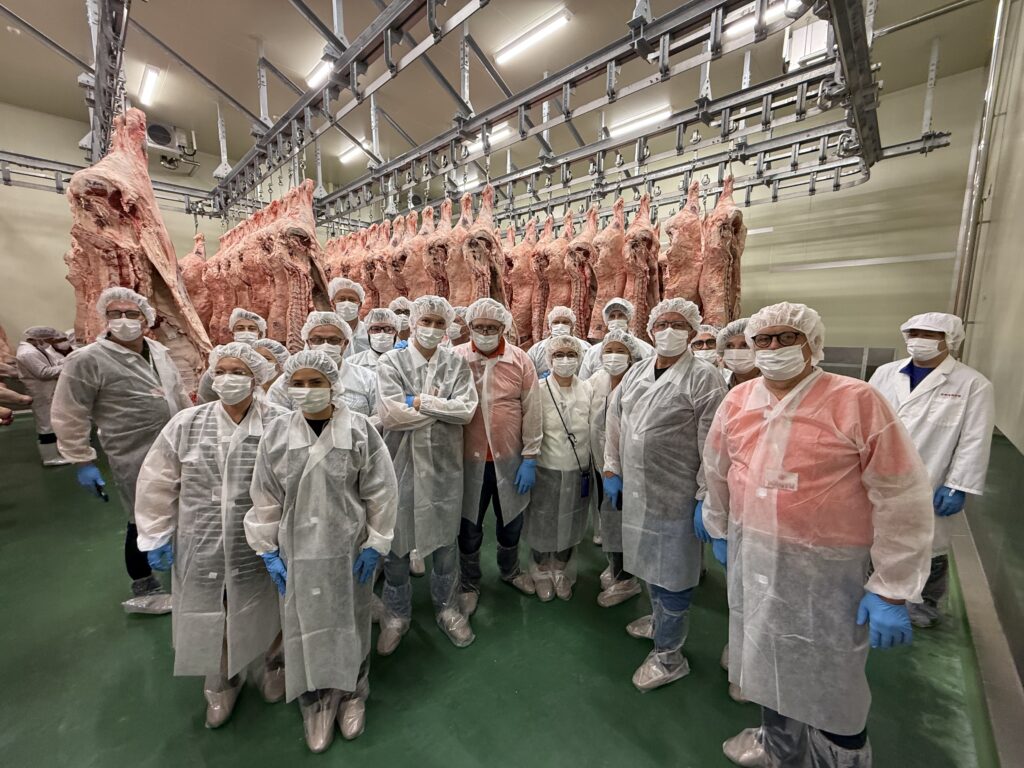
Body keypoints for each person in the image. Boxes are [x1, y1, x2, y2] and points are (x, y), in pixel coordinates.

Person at [701, 302, 934, 768]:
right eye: (762, 340)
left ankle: (838, 758)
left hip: (827, 566)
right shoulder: (738, 400)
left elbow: (900, 494)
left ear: (812, 345)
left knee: (831, 674)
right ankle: (779, 747)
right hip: (755, 550)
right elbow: (718, 468)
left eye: (786, 339)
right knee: (764, 652)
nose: (771, 349)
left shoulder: (855, 400)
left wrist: (890, 587)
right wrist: (718, 524)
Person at [244, 350, 398, 753]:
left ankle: (353, 691)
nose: (308, 390)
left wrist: (376, 542)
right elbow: (264, 494)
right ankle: (314, 700)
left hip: (349, 547)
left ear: (333, 384)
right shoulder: (276, 434)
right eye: (300, 383)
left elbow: (382, 491)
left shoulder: (361, 430)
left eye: (316, 382)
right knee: (302, 621)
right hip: (295, 549)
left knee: (351, 618)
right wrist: (266, 549)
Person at [134, 343, 288, 728]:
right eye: (221, 370)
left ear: (256, 378)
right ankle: (223, 679)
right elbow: (158, 480)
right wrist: (154, 535)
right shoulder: (187, 423)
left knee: (272, 604)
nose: (228, 379)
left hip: (264, 539)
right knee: (211, 608)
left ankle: (275, 663)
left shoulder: (281, 421)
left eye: (238, 372)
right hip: (200, 538)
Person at [603, 298, 726, 691]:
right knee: (649, 562)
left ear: (692, 331)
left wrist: (706, 496)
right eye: (662, 323)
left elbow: (714, 444)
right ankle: (658, 620)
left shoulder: (704, 378)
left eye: (677, 324)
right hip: (638, 490)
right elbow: (615, 421)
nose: (668, 330)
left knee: (674, 572)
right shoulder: (639, 370)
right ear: (651, 329)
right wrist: (612, 468)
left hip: (678, 495)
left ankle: (669, 656)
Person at [52, 287, 191, 613]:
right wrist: (82, 459)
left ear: (147, 318)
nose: (124, 320)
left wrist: (192, 426)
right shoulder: (87, 359)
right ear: (106, 318)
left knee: (179, 508)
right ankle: (143, 587)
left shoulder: (157, 350)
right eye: (116, 314)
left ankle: (179, 568)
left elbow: (177, 392)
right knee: (139, 517)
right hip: (133, 450)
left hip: (175, 444)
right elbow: (68, 411)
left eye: (132, 314)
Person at [869, 312, 995, 628]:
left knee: (930, 544)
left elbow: (974, 438)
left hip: (931, 475)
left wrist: (958, 485)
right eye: (914, 333)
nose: (918, 340)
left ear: (949, 340)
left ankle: (924, 605)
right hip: (878, 473)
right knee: (874, 535)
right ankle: (876, 591)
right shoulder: (886, 373)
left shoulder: (972, 384)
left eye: (929, 334)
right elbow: (864, 417)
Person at [376, 295, 480, 652]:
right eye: (427, 321)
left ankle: (448, 609)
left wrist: (419, 401)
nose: (433, 329)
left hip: (444, 468)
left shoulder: (456, 365)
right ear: (413, 322)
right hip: (400, 466)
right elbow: (391, 415)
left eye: (440, 322)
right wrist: (441, 408)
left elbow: (466, 410)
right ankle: (396, 615)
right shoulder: (391, 362)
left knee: (444, 543)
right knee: (398, 546)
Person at [455, 298, 542, 615]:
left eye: (492, 328)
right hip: (468, 460)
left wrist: (530, 456)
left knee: (511, 522)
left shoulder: (520, 360)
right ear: (470, 328)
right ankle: (468, 583)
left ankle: (510, 571)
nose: (486, 333)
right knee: (469, 526)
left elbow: (533, 409)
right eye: (480, 328)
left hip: (510, 460)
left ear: (504, 328)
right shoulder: (456, 358)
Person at [525, 335, 592, 602]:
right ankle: (541, 571)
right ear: (549, 359)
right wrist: (528, 462)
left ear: (579, 357)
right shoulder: (538, 390)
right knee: (543, 519)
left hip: (579, 468)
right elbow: (529, 428)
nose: (565, 360)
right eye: (559, 355)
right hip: (545, 467)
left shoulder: (588, 389)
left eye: (570, 354)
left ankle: (563, 571)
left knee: (572, 520)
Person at [589, 329, 645, 607]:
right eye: (608, 351)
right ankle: (617, 568)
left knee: (627, 523)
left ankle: (628, 580)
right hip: (603, 465)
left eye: (620, 351)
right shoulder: (596, 381)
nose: (613, 357)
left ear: (631, 355)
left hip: (634, 466)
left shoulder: (640, 382)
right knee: (610, 520)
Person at [267, 311, 377, 423]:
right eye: (317, 340)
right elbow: (274, 417)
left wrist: (354, 429)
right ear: (308, 343)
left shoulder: (368, 378)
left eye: (333, 340)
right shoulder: (289, 381)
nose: (325, 345)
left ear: (345, 343)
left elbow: (379, 416)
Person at [16, 326, 70, 465]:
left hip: (48, 391)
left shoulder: (37, 350)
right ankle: (50, 458)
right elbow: (44, 373)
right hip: (41, 392)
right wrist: (67, 367)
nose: (51, 342)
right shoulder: (27, 353)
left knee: (51, 423)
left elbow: (54, 363)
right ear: (39, 339)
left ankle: (55, 453)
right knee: (46, 425)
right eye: (49, 339)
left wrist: (69, 359)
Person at [197, 308, 268, 403]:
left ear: (260, 334)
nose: (246, 332)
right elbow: (204, 400)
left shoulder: (269, 363)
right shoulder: (217, 366)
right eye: (240, 328)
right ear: (231, 333)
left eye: (251, 329)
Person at [579, 298, 654, 379]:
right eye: (612, 316)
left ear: (628, 318)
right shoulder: (593, 352)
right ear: (606, 321)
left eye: (621, 315)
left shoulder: (647, 350)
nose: (616, 319)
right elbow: (583, 383)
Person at [529, 306, 591, 378]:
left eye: (565, 322)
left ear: (573, 326)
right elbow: (529, 375)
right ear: (549, 326)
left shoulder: (586, 348)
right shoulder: (536, 350)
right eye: (556, 322)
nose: (560, 325)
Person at [328, 278, 370, 358]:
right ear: (333, 303)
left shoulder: (369, 331)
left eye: (352, 300)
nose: (346, 304)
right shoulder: (322, 332)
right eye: (341, 299)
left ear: (360, 305)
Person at [717, 318, 760, 389]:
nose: (736, 351)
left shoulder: (775, 385)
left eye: (745, 345)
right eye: (730, 346)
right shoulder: (720, 386)